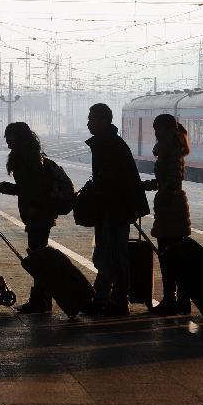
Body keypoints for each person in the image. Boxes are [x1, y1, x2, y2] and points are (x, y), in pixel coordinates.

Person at [84, 103, 150, 317]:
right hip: (112, 209)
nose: (88, 123)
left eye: (92, 119)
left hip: (114, 209)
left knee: (113, 256)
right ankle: (104, 297)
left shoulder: (108, 145)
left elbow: (113, 182)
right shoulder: (110, 143)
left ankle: (117, 300)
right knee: (108, 255)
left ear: (103, 121)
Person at [0, 122, 57, 313]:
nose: (7, 140)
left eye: (10, 136)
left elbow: (34, 187)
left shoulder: (26, 156)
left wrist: (12, 189)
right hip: (39, 212)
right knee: (38, 254)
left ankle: (40, 300)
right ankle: (42, 298)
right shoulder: (32, 153)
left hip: (37, 212)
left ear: (18, 137)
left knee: (38, 256)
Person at [142, 113, 191, 316]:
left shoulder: (171, 151)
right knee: (171, 255)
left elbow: (173, 180)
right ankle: (177, 299)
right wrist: (151, 185)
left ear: (168, 129)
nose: (156, 132)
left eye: (158, 128)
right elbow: (167, 180)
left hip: (172, 210)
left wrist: (162, 193)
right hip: (170, 208)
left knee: (170, 256)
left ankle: (174, 300)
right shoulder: (170, 149)